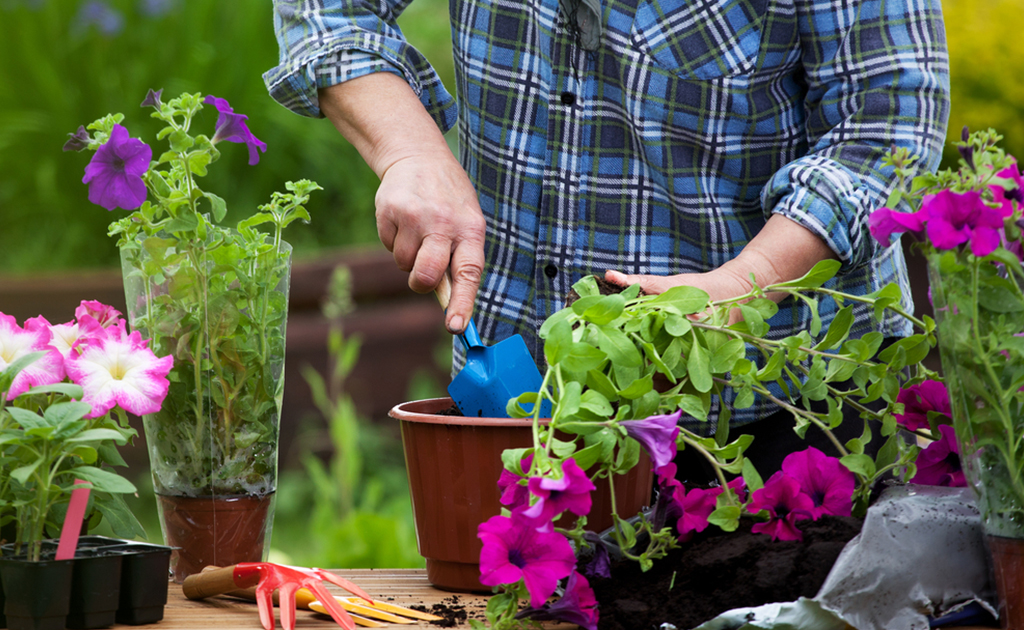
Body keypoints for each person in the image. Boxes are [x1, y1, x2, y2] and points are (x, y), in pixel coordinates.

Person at [264, 0, 950, 474]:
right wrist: (410, 152)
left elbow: (888, 123)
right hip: (517, 400)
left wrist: (745, 281)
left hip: (784, 412)